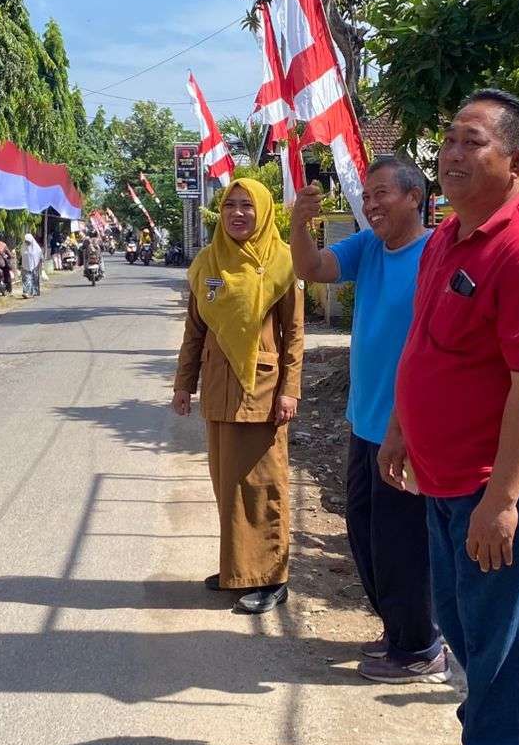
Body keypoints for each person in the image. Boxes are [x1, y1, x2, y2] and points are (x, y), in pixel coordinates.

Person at [380, 89, 519, 745]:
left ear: (518, 160)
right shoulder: (447, 236)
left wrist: (502, 500)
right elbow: (426, 340)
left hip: (501, 486)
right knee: (465, 626)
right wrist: (400, 425)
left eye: (472, 142)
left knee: (509, 637)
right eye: (450, 139)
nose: (452, 153)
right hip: (443, 474)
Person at [290, 160, 445, 685]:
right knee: (364, 533)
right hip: (364, 421)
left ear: (415, 198)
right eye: (368, 196)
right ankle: (399, 628)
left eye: (381, 195)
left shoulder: (439, 253)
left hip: (413, 426)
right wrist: (299, 223)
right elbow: (310, 269)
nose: (371, 205)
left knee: (403, 542)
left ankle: (420, 646)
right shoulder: (368, 247)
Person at [172, 178, 304, 615]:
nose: (238, 213)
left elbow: (294, 336)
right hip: (218, 391)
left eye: (248, 205)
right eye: (231, 205)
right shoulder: (207, 263)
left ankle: (272, 578)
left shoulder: (282, 262)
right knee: (228, 486)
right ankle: (239, 571)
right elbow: (194, 331)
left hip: (263, 393)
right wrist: (182, 384)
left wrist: (290, 391)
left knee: (264, 485)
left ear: (263, 211)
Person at [20, 232, 43, 298]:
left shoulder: (36, 248)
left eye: (28, 241)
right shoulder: (23, 247)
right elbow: (21, 255)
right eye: (26, 241)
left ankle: (35, 292)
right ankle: (26, 292)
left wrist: (41, 264)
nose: (27, 243)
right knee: (26, 279)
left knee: (34, 279)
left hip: (35, 266)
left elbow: (40, 256)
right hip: (25, 265)